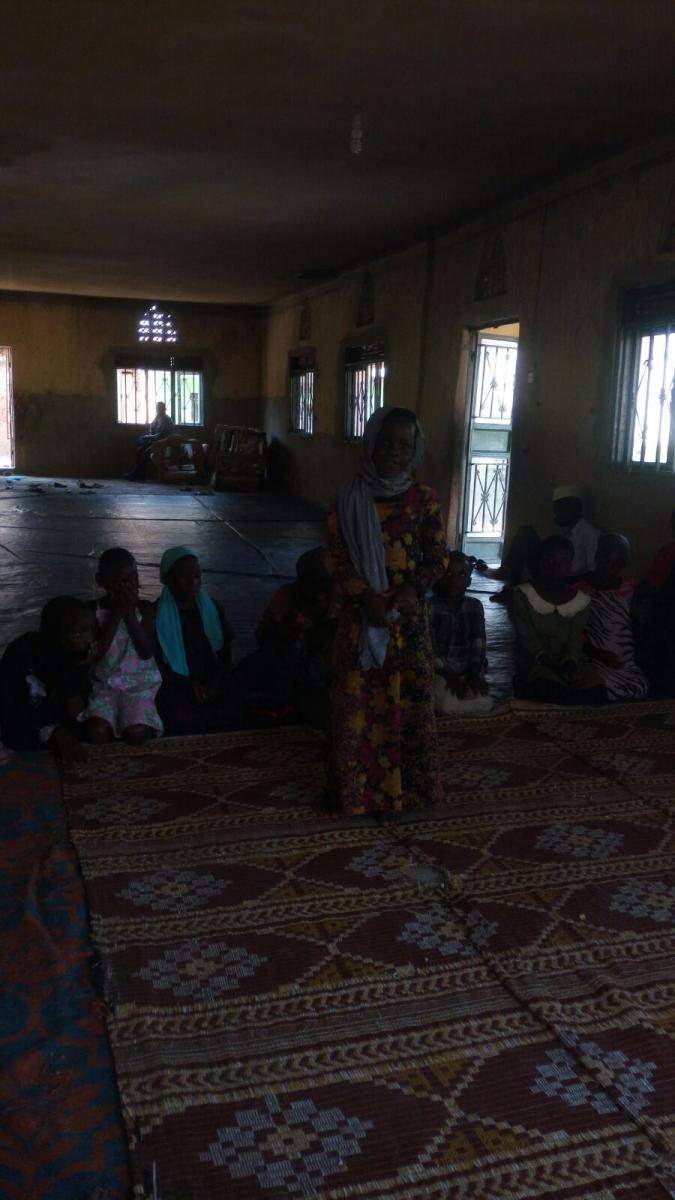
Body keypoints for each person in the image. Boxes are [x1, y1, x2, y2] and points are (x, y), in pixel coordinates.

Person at [325, 406, 448, 817]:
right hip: (362, 621)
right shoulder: (347, 499)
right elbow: (336, 558)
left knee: (408, 702)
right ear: (371, 443)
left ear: (415, 450)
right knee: (359, 705)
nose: (395, 453)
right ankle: (358, 793)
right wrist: (366, 597)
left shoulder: (424, 500)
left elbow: (437, 556)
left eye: (404, 446)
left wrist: (414, 589)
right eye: (387, 443)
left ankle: (407, 791)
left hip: (408, 623)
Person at [234, 546, 335, 725]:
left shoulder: (339, 604)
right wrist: (288, 631)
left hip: (318, 669)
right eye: (312, 589)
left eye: (321, 591)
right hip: (286, 660)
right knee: (245, 675)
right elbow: (262, 638)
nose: (317, 597)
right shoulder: (287, 596)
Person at [154, 546, 243, 733]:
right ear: (167, 579)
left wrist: (213, 683)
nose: (193, 582)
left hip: (211, 681)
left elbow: (224, 655)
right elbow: (155, 666)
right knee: (174, 714)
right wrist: (188, 685)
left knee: (238, 702)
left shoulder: (213, 609)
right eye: (184, 577)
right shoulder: (156, 616)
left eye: (197, 575)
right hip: (176, 684)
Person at [82, 548, 163, 744]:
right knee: (96, 732)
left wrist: (129, 615)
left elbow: (146, 651)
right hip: (104, 687)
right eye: (121, 581)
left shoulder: (145, 609)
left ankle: (129, 721)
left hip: (138, 687)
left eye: (134, 579)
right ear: (101, 581)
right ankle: (114, 721)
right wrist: (116, 614)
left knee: (136, 734)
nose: (129, 586)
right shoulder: (93, 611)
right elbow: (96, 655)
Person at [512, 535, 605, 705]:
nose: (555, 566)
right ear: (539, 562)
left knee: (596, 690)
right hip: (537, 662)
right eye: (549, 559)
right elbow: (528, 640)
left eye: (563, 562)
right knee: (548, 689)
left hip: (567, 663)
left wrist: (570, 664)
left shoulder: (581, 601)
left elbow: (575, 639)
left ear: (569, 566)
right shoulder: (523, 594)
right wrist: (555, 667)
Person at [0, 596, 96, 761]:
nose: (88, 640)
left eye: (90, 631)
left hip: (58, 722)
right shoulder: (21, 655)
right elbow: (14, 715)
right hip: (24, 725)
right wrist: (53, 733)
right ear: (57, 634)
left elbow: (76, 712)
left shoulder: (79, 658)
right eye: (79, 632)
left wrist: (79, 670)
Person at [484, 485, 601, 602]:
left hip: (567, 579)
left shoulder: (590, 534)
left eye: (558, 510)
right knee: (526, 532)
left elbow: (593, 573)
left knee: (522, 586)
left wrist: (562, 579)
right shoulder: (565, 531)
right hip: (552, 572)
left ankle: (509, 584)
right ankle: (508, 575)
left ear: (573, 508)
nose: (555, 515)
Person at [576, 534, 648, 702]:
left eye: (616, 563)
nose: (608, 567)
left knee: (639, 685)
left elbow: (633, 624)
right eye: (604, 559)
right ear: (596, 556)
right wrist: (598, 654)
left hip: (623, 659)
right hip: (593, 656)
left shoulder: (629, 588)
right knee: (598, 684)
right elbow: (575, 632)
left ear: (623, 565)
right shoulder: (580, 589)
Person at [430, 551, 491, 714]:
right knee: (444, 703)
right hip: (440, 671)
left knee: (483, 700)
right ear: (439, 577)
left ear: (469, 581)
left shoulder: (475, 606)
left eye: (461, 575)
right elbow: (430, 649)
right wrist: (448, 674)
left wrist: (474, 674)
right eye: (448, 573)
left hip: (466, 671)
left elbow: (479, 644)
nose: (454, 580)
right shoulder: (430, 607)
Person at [125, 401, 174, 481]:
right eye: (157, 408)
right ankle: (136, 473)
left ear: (164, 409)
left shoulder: (167, 420)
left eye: (160, 408)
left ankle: (140, 475)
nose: (158, 410)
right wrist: (149, 436)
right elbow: (152, 431)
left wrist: (151, 437)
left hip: (162, 443)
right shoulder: (156, 418)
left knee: (146, 453)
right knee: (140, 450)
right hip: (154, 441)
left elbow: (164, 434)